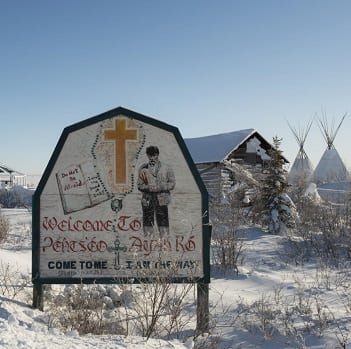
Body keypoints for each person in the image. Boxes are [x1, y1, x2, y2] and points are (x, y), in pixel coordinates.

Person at [137, 145, 175, 237]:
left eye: (154, 155)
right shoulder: (143, 168)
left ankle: (165, 239)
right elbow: (139, 185)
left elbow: (172, 184)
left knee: (163, 220)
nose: (152, 158)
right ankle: (148, 240)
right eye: (150, 156)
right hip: (147, 198)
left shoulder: (166, 168)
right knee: (147, 220)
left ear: (157, 155)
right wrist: (148, 188)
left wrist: (161, 187)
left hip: (162, 198)